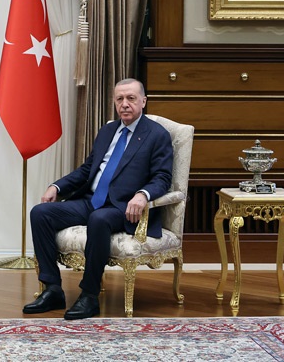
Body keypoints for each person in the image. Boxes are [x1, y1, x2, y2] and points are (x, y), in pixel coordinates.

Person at [23, 78, 172, 320]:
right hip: (91, 200)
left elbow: (162, 177)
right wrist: (57, 186)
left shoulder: (157, 135)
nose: (125, 104)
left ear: (143, 101)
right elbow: (88, 169)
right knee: (40, 213)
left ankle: (89, 295)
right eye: (119, 99)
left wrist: (142, 195)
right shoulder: (108, 131)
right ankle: (52, 289)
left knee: (99, 219)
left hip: (123, 207)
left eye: (131, 98)